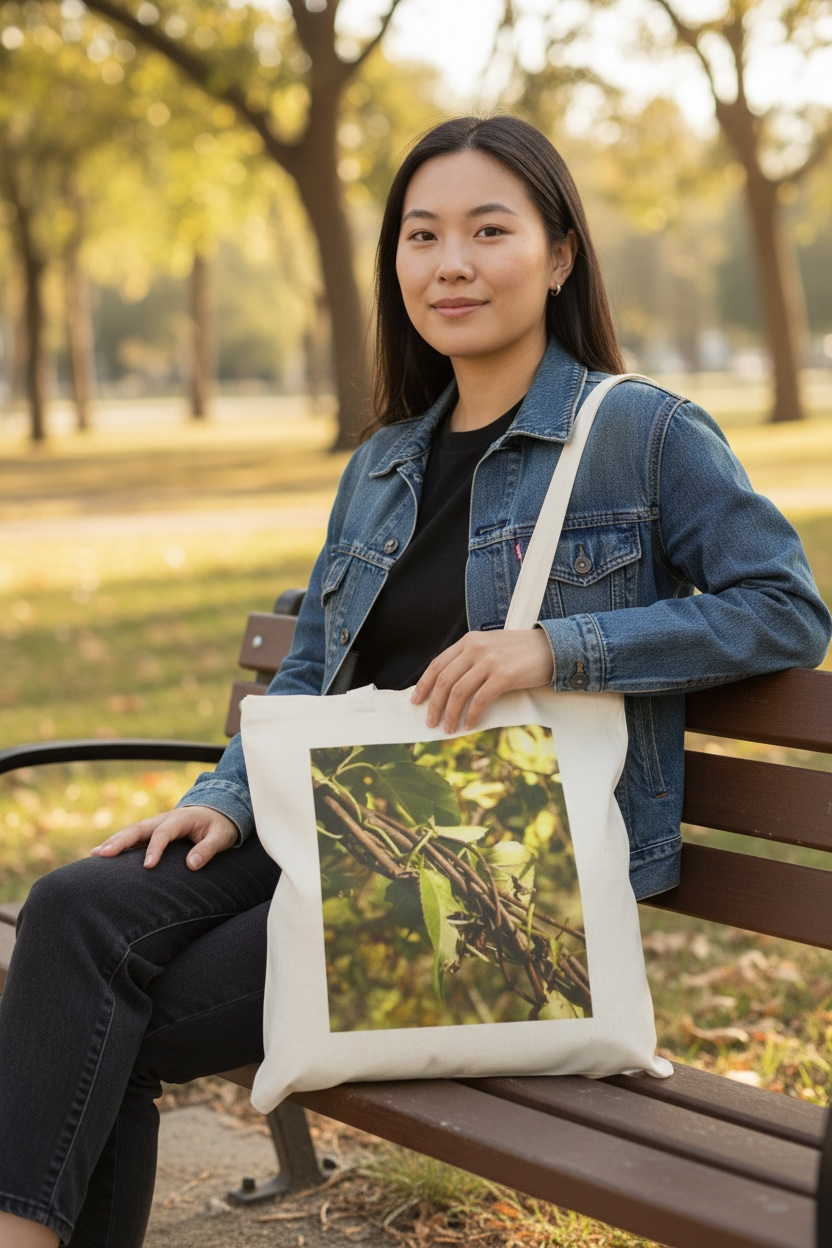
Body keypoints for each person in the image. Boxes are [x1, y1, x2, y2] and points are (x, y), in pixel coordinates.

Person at [0, 114, 829, 1248]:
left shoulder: (640, 433)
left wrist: (557, 647)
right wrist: (224, 800)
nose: (450, 265)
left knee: (103, 1019)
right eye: (421, 235)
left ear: (559, 254)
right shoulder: (384, 459)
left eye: (489, 231)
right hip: (332, 817)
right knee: (73, 907)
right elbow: (309, 666)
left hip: (484, 878)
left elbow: (785, 608)